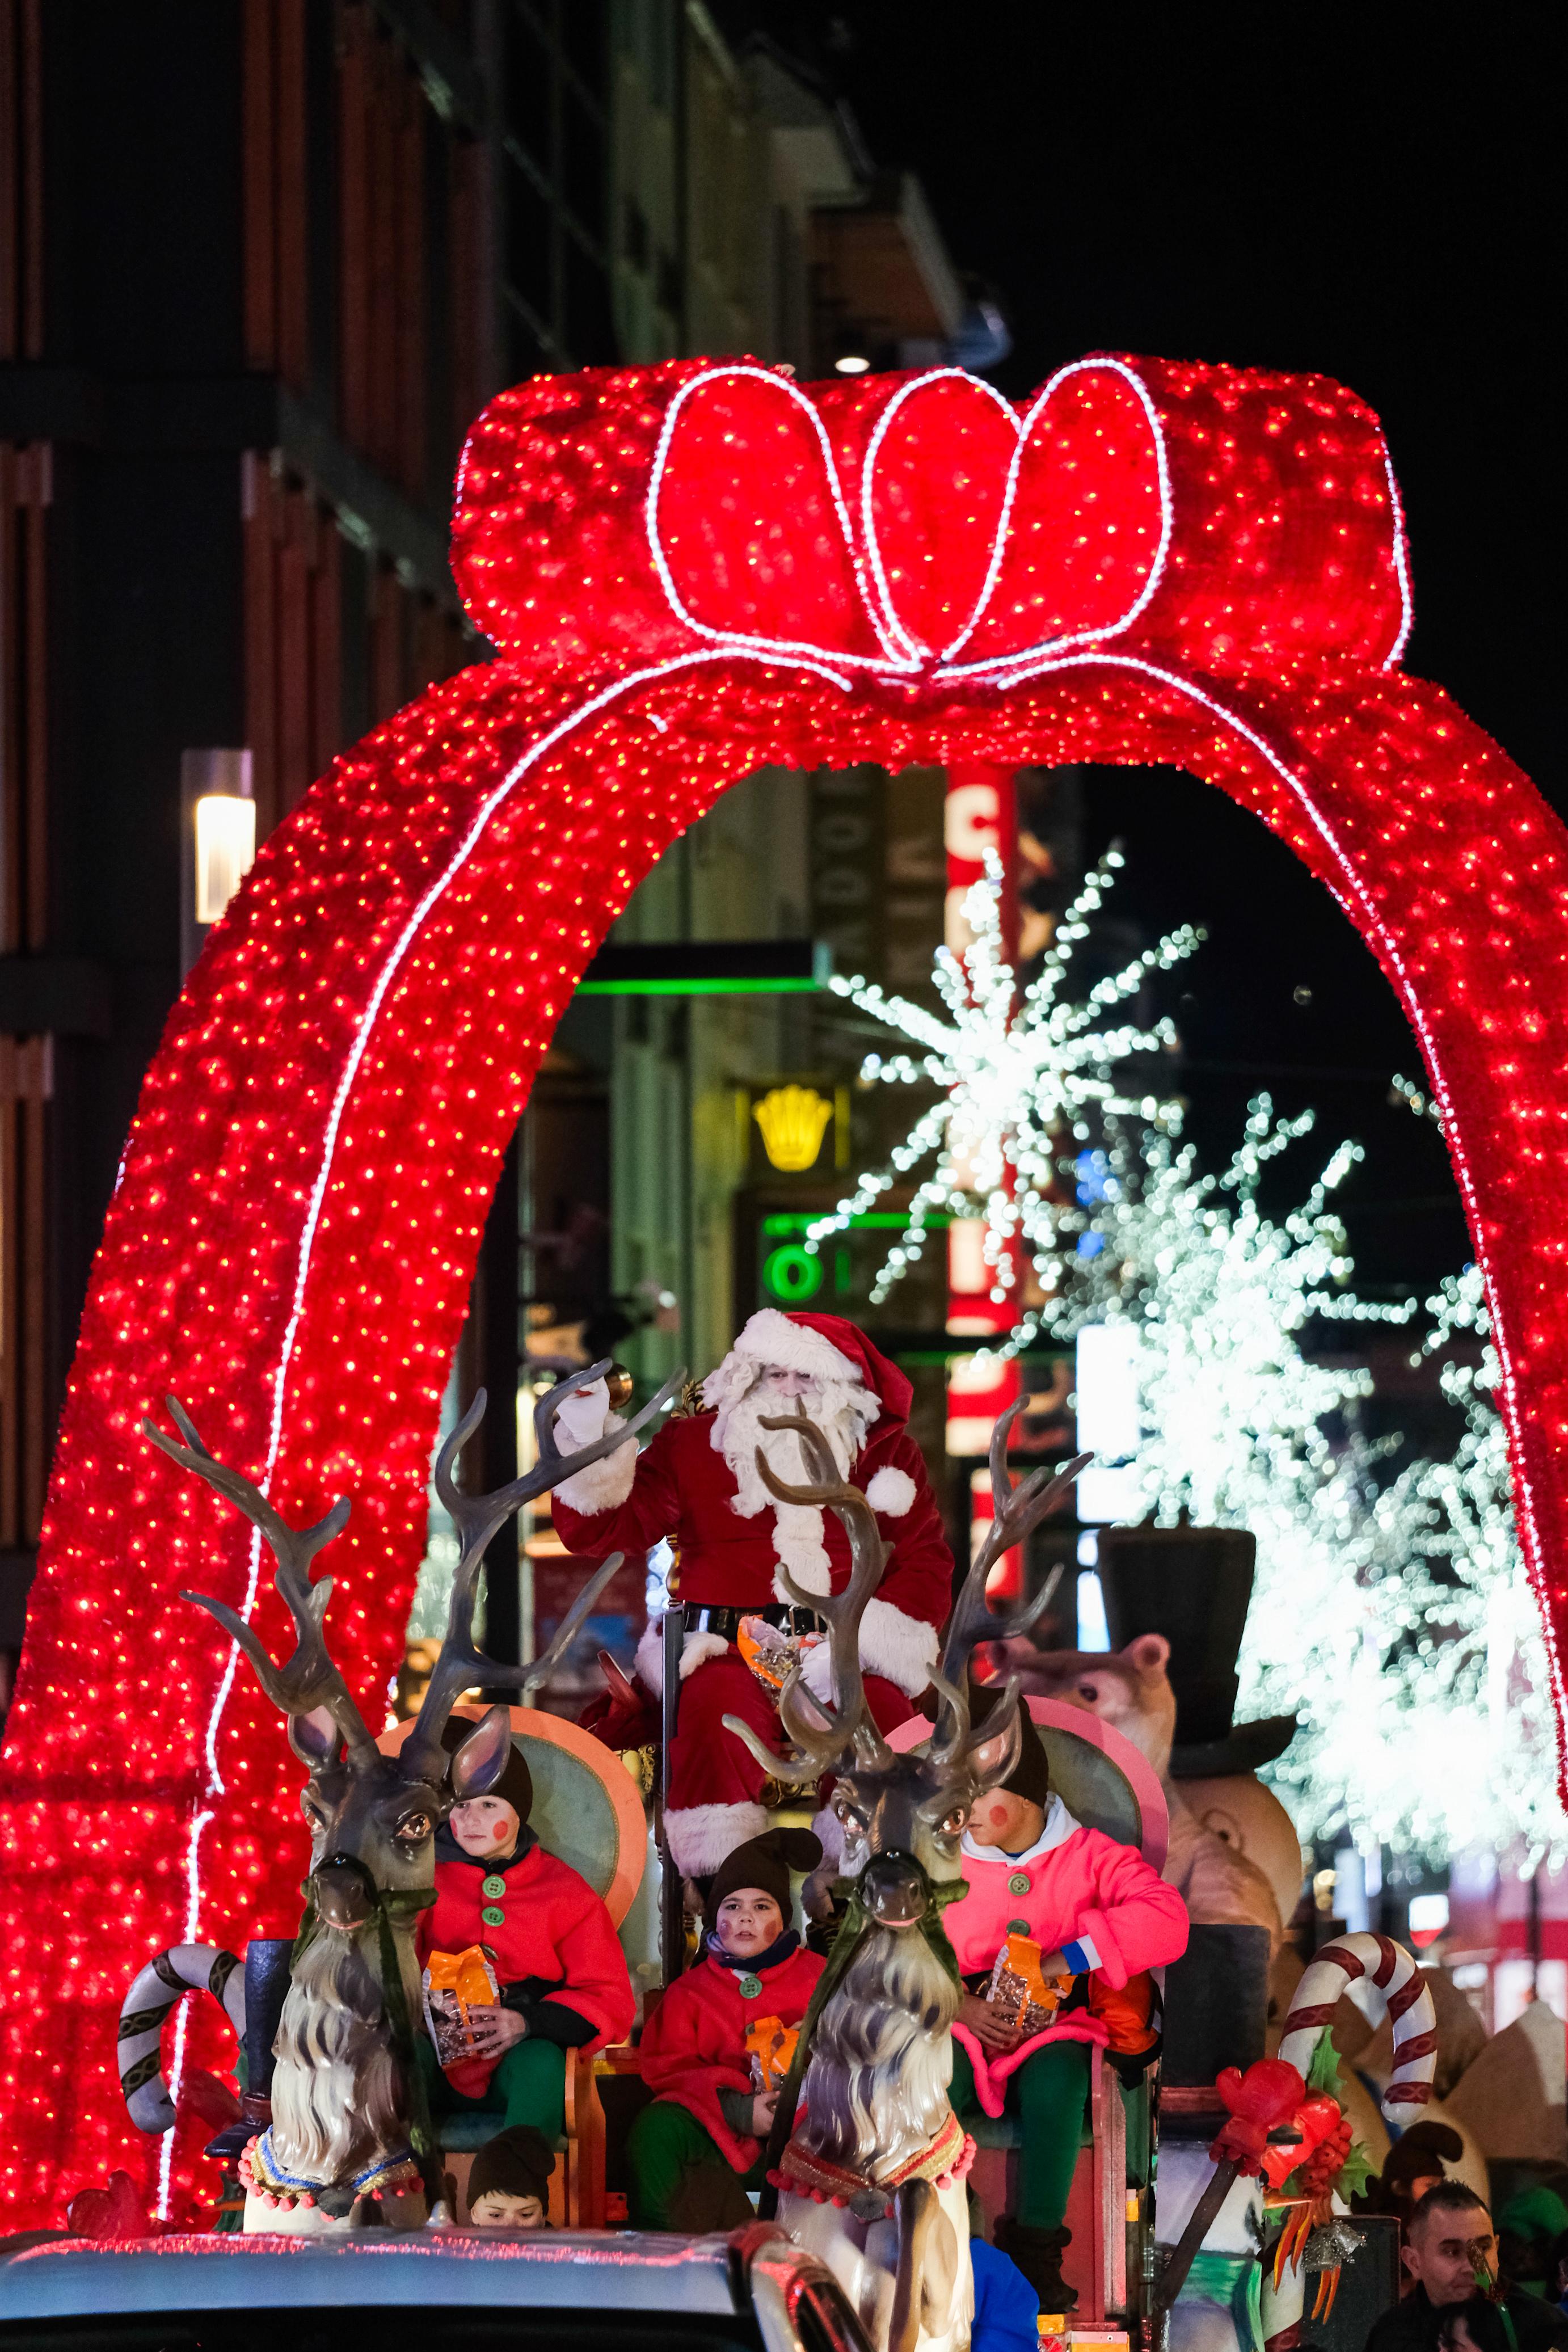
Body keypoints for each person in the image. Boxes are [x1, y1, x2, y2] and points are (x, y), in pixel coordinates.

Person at [551, 1309, 954, 1875]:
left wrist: (858, 1648)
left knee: (884, 1720)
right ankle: (729, 1888)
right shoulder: (693, 1445)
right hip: (717, 1649)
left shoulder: (881, 1456)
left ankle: (867, 1877)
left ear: (841, 1387)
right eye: (773, 1375)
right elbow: (600, 1530)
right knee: (718, 1717)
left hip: (841, 1654)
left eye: (806, 1379)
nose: (788, 1392)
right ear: (744, 1376)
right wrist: (587, 1444)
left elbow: (924, 1559)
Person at [943, 1698, 1188, 2313]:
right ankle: (942, 2229)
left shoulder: (1088, 1856)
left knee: (1059, 2079)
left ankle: (1036, 2251)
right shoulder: (939, 1859)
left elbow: (1167, 1922)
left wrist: (1068, 1958)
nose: (961, 1814)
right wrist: (957, 2006)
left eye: (975, 1798)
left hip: (1052, 2022)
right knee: (928, 2077)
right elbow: (897, 1946)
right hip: (959, 2021)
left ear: (1021, 1794)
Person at [414, 1721, 634, 2146]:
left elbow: (609, 1998)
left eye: (489, 1806)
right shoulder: (421, 1880)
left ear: (519, 1812)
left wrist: (527, 2022)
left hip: (515, 2062)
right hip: (432, 2059)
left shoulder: (565, 1891)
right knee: (391, 2062)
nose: (472, 1819)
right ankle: (398, 2192)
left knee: (542, 2064)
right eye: (461, 1806)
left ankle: (517, 2193)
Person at [626, 1828, 824, 2230]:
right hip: (722, 2144)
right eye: (732, 1906)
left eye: (762, 1906)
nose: (746, 1917)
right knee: (656, 2129)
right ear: (715, 1917)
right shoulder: (690, 1992)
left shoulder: (821, 1979)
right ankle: (658, 2255)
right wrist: (737, 2111)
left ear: (784, 1916)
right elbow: (668, 2070)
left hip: (809, 2142)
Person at [1363, 2184, 1568, 2352]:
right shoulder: (1392, 2336)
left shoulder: (1542, 2327)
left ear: (1496, 2250)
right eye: (1452, 2252)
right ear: (1414, 2262)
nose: (1473, 2267)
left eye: (1483, 2247)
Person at [464, 2123, 555, 2228]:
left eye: (526, 2215)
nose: (511, 2227)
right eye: (496, 2215)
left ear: (543, 2215)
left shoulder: (563, 2245)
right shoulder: (453, 2244)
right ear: (474, 2213)